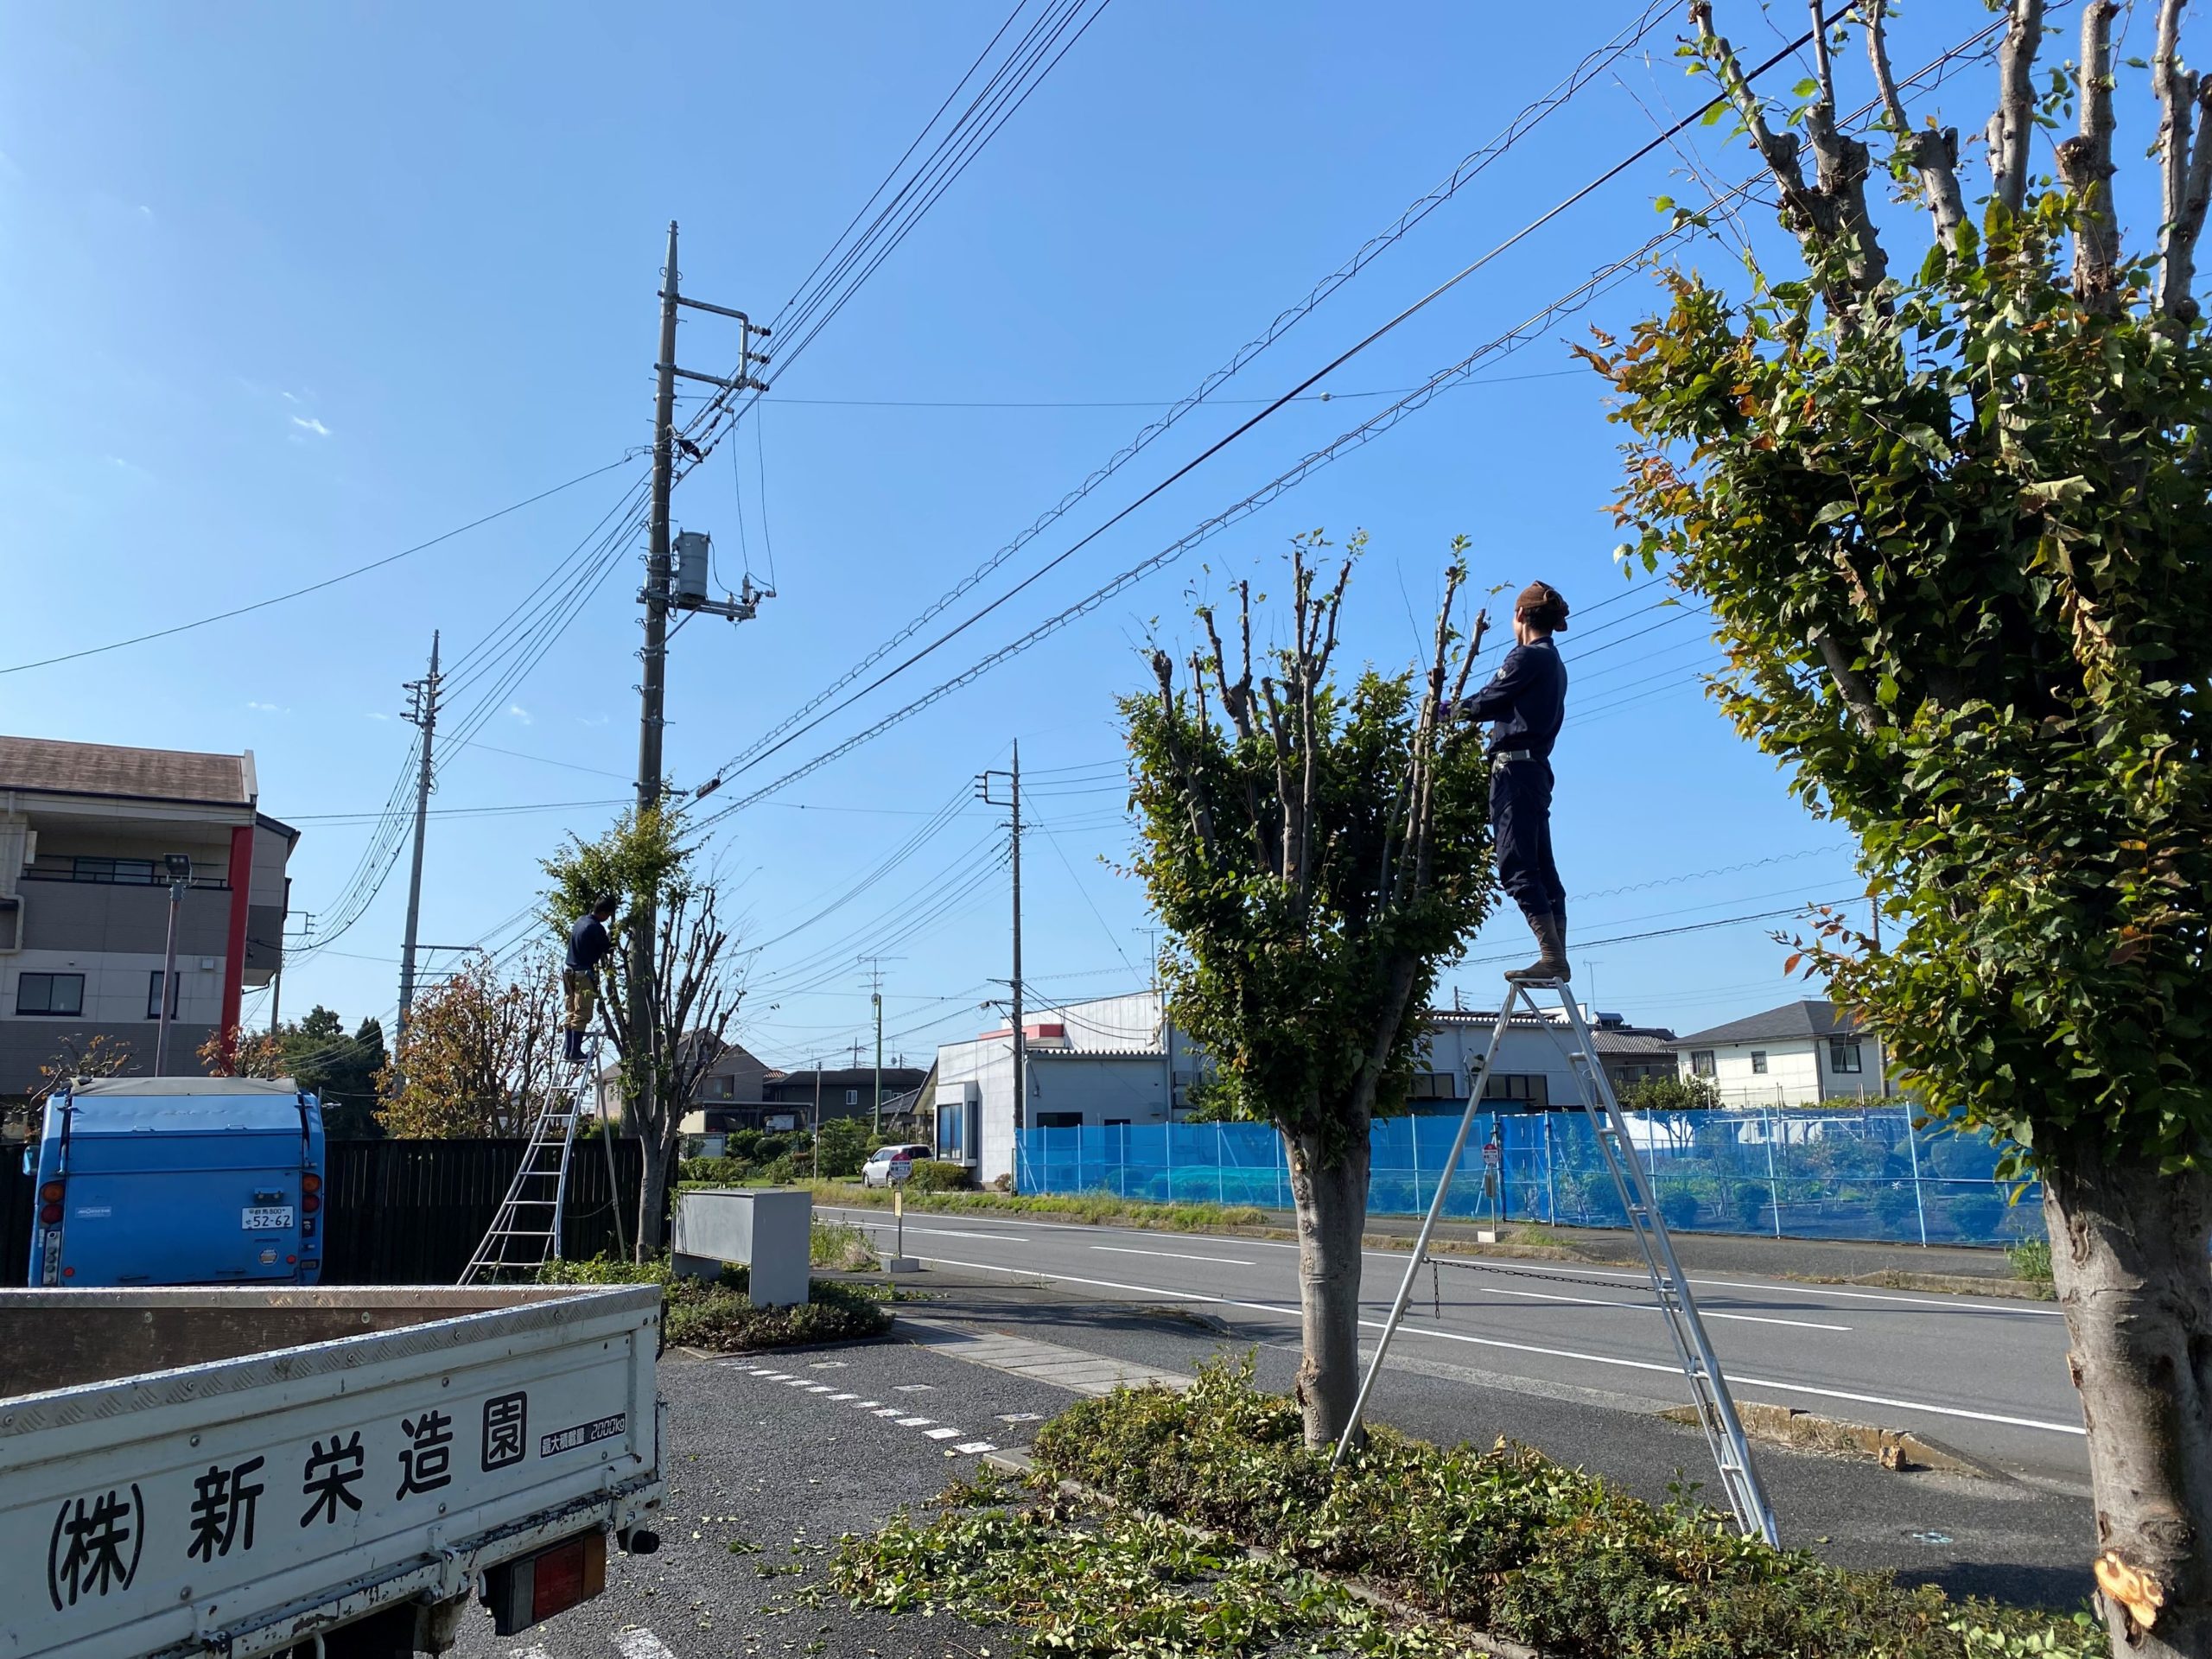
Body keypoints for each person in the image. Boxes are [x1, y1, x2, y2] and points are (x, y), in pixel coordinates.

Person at [1462, 581, 1571, 982]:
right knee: (1542, 865)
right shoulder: (1553, 663)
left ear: (1521, 616)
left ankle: (1552, 958)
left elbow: (1489, 699)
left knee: (1517, 866)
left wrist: (1448, 710)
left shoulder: (1526, 657)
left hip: (1515, 771)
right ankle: (1556, 956)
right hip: (1535, 771)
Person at [563, 896, 618, 1064]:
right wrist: (613, 935)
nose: (607, 918)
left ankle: (569, 1050)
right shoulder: (596, 928)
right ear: (602, 912)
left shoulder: (580, 921)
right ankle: (575, 1052)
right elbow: (608, 948)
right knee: (582, 1012)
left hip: (568, 971)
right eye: (607, 915)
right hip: (583, 974)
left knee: (571, 1011)